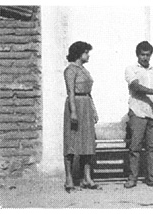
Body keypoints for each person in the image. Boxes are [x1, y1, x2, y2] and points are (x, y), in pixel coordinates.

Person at [124, 41, 153, 188]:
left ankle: (152, 178)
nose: (145, 57)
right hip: (138, 113)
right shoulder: (131, 69)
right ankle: (132, 178)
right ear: (137, 55)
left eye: (147, 55)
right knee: (135, 147)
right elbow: (134, 86)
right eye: (142, 54)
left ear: (151, 55)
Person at [63, 41, 101, 193]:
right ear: (79, 53)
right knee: (71, 142)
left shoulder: (84, 70)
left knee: (87, 143)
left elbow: (88, 92)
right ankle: (69, 179)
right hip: (76, 104)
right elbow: (71, 91)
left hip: (86, 105)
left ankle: (87, 178)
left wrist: (94, 110)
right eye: (86, 52)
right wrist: (73, 111)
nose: (88, 55)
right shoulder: (70, 70)